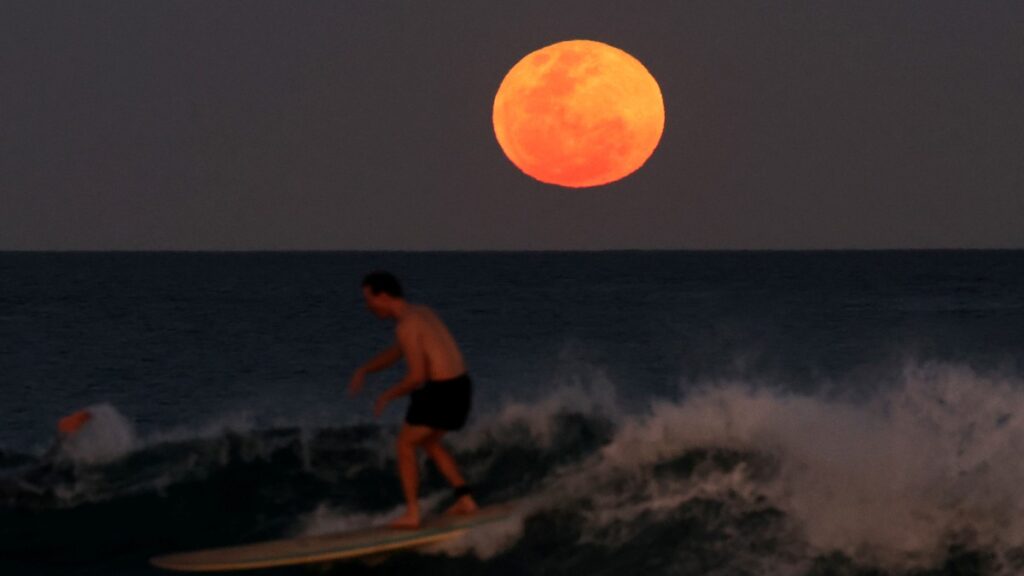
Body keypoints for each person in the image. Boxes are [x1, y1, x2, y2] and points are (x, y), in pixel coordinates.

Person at [348, 271, 479, 528]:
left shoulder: (406, 325)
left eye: (368, 299)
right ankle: (465, 500)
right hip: (461, 386)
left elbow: (416, 377)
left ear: (383, 296)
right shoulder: (421, 313)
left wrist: (387, 395)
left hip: (441, 391)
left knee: (404, 445)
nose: (367, 307)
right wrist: (365, 369)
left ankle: (412, 513)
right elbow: (396, 352)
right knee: (429, 442)